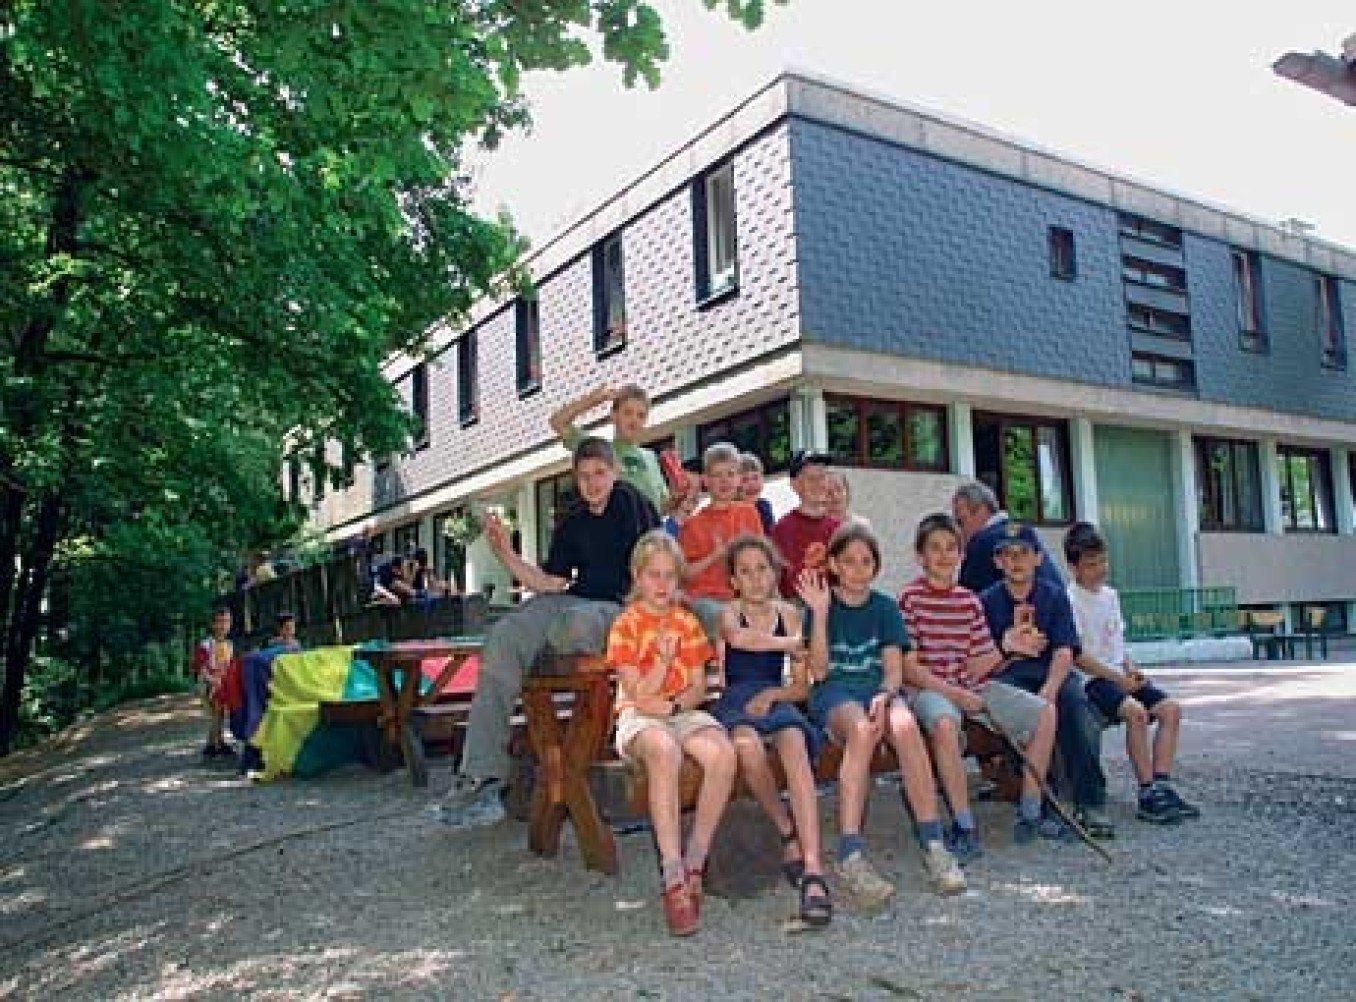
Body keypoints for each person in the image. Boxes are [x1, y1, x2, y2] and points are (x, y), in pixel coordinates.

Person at [431, 437, 660, 829]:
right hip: (573, 601)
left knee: (572, 627)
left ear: (614, 472)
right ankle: (482, 773)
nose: (592, 483)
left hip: (620, 606)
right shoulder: (571, 520)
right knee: (504, 634)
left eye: (600, 473)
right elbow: (549, 583)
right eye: (584, 475)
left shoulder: (632, 504)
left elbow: (658, 561)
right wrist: (505, 553)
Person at [802, 524, 966, 906]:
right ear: (834, 566)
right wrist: (822, 614)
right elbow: (820, 672)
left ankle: (934, 844)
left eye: (866, 561)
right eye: (849, 562)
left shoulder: (885, 607)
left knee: (906, 727)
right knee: (861, 731)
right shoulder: (820, 607)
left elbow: (893, 670)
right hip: (836, 692)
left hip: (877, 689)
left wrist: (885, 694)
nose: (858, 570)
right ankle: (850, 853)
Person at [899, 514, 1065, 859]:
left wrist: (1009, 647)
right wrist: (954, 694)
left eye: (951, 548)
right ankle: (964, 826)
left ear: (961, 554)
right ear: (920, 556)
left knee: (1045, 713)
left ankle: (1032, 812)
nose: (944, 556)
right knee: (945, 724)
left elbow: (979, 662)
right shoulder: (910, 600)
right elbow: (909, 668)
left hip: (972, 687)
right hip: (929, 690)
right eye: (935, 548)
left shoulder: (969, 601)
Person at [607, 531, 736, 936]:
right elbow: (637, 692)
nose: (662, 585)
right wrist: (662, 665)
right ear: (637, 577)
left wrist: (679, 706)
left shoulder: (686, 622)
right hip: (639, 718)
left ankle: (696, 858)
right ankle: (672, 874)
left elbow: (698, 685)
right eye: (653, 575)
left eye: (670, 576)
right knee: (664, 750)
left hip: (680, 710)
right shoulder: (625, 625)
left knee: (722, 754)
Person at [710, 535, 831, 927]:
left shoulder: (790, 614)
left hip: (775, 696)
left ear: (773, 571)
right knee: (747, 746)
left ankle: (813, 869)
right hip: (736, 700)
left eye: (762, 568)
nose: (756, 578)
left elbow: (802, 685)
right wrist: (791, 643)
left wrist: (774, 694)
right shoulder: (729, 613)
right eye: (745, 571)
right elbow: (739, 639)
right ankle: (785, 829)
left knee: (794, 741)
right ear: (734, 581)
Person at [979, 522, 1115, 839]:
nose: (1016, 561)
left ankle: (1090, 802)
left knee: (1078, 708)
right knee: (1015, 714)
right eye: (1007, 554)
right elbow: (984, 659)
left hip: (1050, 673)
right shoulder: (985, 601)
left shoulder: (1053, 597)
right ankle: (1039, 799)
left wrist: (1051, 688)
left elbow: (1065, 650)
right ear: (998, 561)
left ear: (1038, 558)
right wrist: (1010, 647)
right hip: (1009, 677)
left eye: (1024, 553)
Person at [1064, 522, 1199, 824]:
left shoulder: (1111, 596)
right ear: (1073, 567)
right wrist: (1118, 679)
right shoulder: (1069, 600)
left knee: (1170, 710)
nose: (1099, 569)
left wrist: (1132, 669)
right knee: (1135, 713)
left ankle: (1162, 784)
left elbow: (1117, 642)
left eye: (1102, 561)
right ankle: (1146, 790)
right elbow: (1079, 657)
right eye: (1090, 564)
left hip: (1118, 675)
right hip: (1094, 681)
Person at [678, 442, 764, 638]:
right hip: (707, 598)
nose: (724, 481)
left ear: (739, 479)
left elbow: (763, 560)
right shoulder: (692, 524)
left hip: (746, 595)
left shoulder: (749, 513)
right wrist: (714, 556)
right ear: (706, 481)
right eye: (717, 475)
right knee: (719, 615)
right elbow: (684, 574)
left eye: (730, 474)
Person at [550, 383, 669, 514]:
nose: (634, 420)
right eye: (628, 412)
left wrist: (680, 496)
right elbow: (557, 422)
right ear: (614, 415)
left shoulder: (651, 457)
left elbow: (662, 506)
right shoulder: (600, 451)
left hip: (651, 531)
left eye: (641, 415)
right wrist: (593, 400)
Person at [952, 482, 1063, 595]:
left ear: (982, 510)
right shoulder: (1026, 532)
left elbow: (964, 599)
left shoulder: (982, 542)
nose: (958, 532)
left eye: (960, 521)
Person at [770, 451, 841, 600]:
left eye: (822, 477)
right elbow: (777, 578)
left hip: (834, 602)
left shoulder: (839, 528)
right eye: (811, 479)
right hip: (798, 605)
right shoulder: (783, 529)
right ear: (794, 485)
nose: (818, 484)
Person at [191, 606, 239, 759]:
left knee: (221, 713)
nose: (224, 625)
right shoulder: (206, 645)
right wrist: (211, 681)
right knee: (215, 714)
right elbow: (201, 667)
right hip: (208, 684)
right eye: (220, 622)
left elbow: (230, 665)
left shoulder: (229, 645)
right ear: (213, 624)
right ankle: (213, 745)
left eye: (227, 621)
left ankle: (217, 743)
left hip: (222, 683)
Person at [737, 452, 776, 534]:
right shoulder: (733, 513)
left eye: (755, 478)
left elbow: (773, 538)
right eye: (744, 480)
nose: (752, 484)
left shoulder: (764, 506)